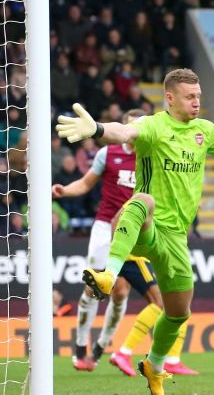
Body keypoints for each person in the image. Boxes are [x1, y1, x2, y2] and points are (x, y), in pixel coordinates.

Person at [55, 68, 214, 395]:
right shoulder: (153, 125)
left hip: (178, 239)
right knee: (143, 200)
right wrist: (96, 128)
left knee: (179, 311)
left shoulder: (203, 131)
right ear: (170, 97)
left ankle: (154, 364)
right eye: (190, 97)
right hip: (148, 228)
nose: (197, 102)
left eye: (198, 97)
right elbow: (123, 132)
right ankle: (108, 274)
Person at [52, 109, 191, 375]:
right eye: (129, 126)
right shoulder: (109, 154)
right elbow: (86, 183)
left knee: (121, 292)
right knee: (94, 287)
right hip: (105, 227)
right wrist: (65, 190)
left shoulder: (153, 154)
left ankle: (100, 348)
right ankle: (81, 346)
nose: (133, 133)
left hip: (137, 229)